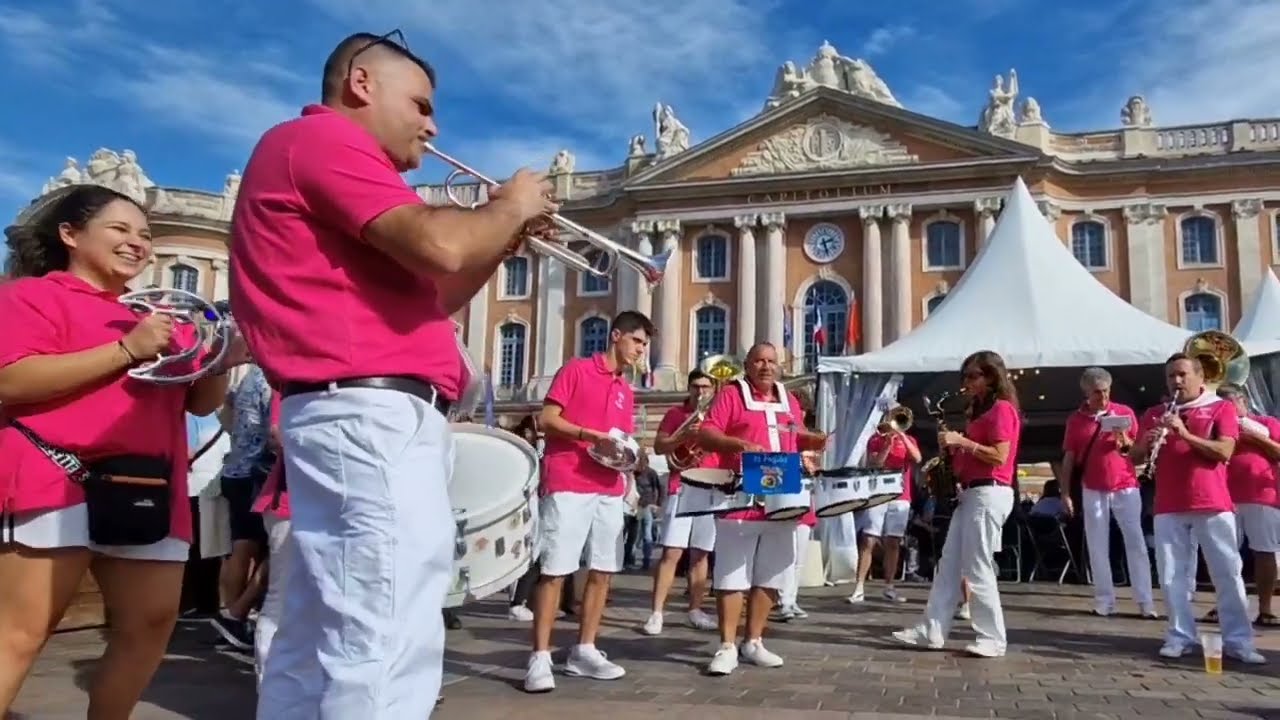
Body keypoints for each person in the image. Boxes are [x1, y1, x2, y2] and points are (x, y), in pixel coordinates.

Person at [229, 30, 559, 719]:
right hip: (367, 413)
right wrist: (510, 205)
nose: (433, 125)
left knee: (319, 629)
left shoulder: (322, 168)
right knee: (386, 628)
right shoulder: (324, 142)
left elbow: (430, 298)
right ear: (361, 84)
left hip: (356, 409)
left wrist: (500, 241)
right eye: (421, 104)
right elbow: (440, 243)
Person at [0, 184, 244, 717]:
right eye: (120, 229)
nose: (137, 243)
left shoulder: (163, 317)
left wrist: (220, 358)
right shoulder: (28, 296)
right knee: (20, 632)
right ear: (69, 234)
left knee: (151, 625)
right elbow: (11, 381)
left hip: (148, 486)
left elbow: (200, 403)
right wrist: (125, 349)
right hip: (53, 476)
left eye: (145, 235)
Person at [523, 310, 654, 693]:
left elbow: (618, 440)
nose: (640, 351)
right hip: (568, 481)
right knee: (556, 569)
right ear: (617, 336)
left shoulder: (625, 390)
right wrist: (587, 434)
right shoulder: (577, 370)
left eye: (645, 345)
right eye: (637, 342)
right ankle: (540, 656)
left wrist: (634, 456)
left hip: (609, 487)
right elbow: (547, 419)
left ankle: (584, 649)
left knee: (603, 569)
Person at [695, 342, 823, 675]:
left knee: (772, 572)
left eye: (771, 361)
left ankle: (753, 641)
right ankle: (726, 645)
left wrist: (811, 449)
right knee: (732, 574)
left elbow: (794, 439)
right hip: (740, 493)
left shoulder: (790, 399)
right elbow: (706, 433)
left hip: (783, 495)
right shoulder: (731, 395)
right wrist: (737, 444)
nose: (766, 367)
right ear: (748, 365)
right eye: (759, 361)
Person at [1130, 355, 1263, 663]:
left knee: (1227, 573)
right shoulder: (1154, 413)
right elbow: (1134, 458)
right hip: (1168, 503)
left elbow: (1224, 450)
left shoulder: (1220, 407)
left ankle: (1239, 641)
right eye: (1170, 377)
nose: (1176, 381)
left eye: (1181, 375)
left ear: (1200, 378)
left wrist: (1185, 434)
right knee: (1171, 575)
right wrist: (1147, 444)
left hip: (1212, 502)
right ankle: (1179, 637)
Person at [892, 350, 1021, 658]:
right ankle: (931, 629)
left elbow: (1000, 456)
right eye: (964, 376)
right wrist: (950, 457)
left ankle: (992, 637)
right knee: (948, 564)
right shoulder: (977, 411)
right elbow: (975, 456)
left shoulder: (1002, 409)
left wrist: (962, 442)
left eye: (973, 376)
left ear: (991, 378)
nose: (966, 382)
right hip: (972, 493)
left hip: (991, 492)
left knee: (978, 567)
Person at [1059, 367, 1156, 618]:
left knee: (1135, 541)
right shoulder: (1076, 420)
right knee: (1097, 544)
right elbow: (1069, 458)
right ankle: (1104, 600)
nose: (1102, 397)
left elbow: (1136, 452)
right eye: (1097, 393)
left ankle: (1145, 601)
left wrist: (1122, 436)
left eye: (1106, 391)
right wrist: (1065, 492)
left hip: (1125, 484)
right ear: (1086, 393)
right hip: (1093, 487)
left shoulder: (1124, 412)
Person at [643, 370, 718, 635]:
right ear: (689, 388)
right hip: (682, 486)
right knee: (672, 553)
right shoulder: (675, 414)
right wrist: (683, 436)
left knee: (701, 554)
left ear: (712, 389)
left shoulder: (717, 415)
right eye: (696, 386)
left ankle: (695, 609)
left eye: (706, 387)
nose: (701, 392)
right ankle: (656, 612)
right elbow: (660, 446)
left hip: (711, 485)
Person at [210, 364, 273, 649]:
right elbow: (275, 431)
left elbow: (227, 416)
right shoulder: (271, 380)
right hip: (258, 473)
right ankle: (237, 616)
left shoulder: (248, 378)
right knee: (267, 550)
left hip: (235, 467)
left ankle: (232, 618)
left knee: (239, 548)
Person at [1216, 384, 1280, 627]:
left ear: (1242, 401)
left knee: (1264, 551)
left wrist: (1255, 437)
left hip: (1261, 496)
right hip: (1223, 495)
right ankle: (1225, 605)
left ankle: (1265, 609)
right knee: (1222, 553)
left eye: (1230, 405)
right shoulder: (1217, 425)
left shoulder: (1267, 423)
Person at [849, 406, 921, 604]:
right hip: (878, 495)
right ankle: (859, 587)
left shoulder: (910, 440)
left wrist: (902, 436)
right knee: (868, 539)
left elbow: (917, 458)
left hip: (901, 496)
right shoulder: (876, 439)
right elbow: (876, 463)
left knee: (893, 542)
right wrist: (888, 444)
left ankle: (889, 586)